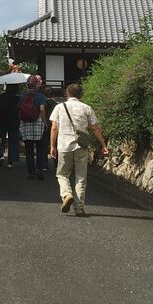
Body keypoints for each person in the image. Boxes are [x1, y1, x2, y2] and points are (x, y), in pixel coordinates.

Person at [47, 82, 108, 216]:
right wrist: (103, 145)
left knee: (62, 174)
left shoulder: (59, 107)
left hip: (64, 145)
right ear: (81, 95)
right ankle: (79, 207)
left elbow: (54, 128)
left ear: (67, 93)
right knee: (81, 177)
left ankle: (66, 194)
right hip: (81, 146)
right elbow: (95, 128)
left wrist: (52, 146)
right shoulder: (86, 108)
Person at [17, 74, 48, 180]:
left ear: (27, 85)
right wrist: (44, 122)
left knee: (29, 149)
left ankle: (30, 172)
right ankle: (39, 169)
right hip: (38, 124)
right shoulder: (40, 96)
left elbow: (19, 110)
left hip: (26, 124)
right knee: (40, 148)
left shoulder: (23, 96)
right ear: (37, 85)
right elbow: (42, 109)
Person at [0, 83, 21, 167]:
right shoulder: (18, 98)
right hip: (14, 121)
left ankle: (1, 155)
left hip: (1, 120)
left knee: (1, 138)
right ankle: (11, 161)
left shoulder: (2, 97)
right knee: (13, 140)